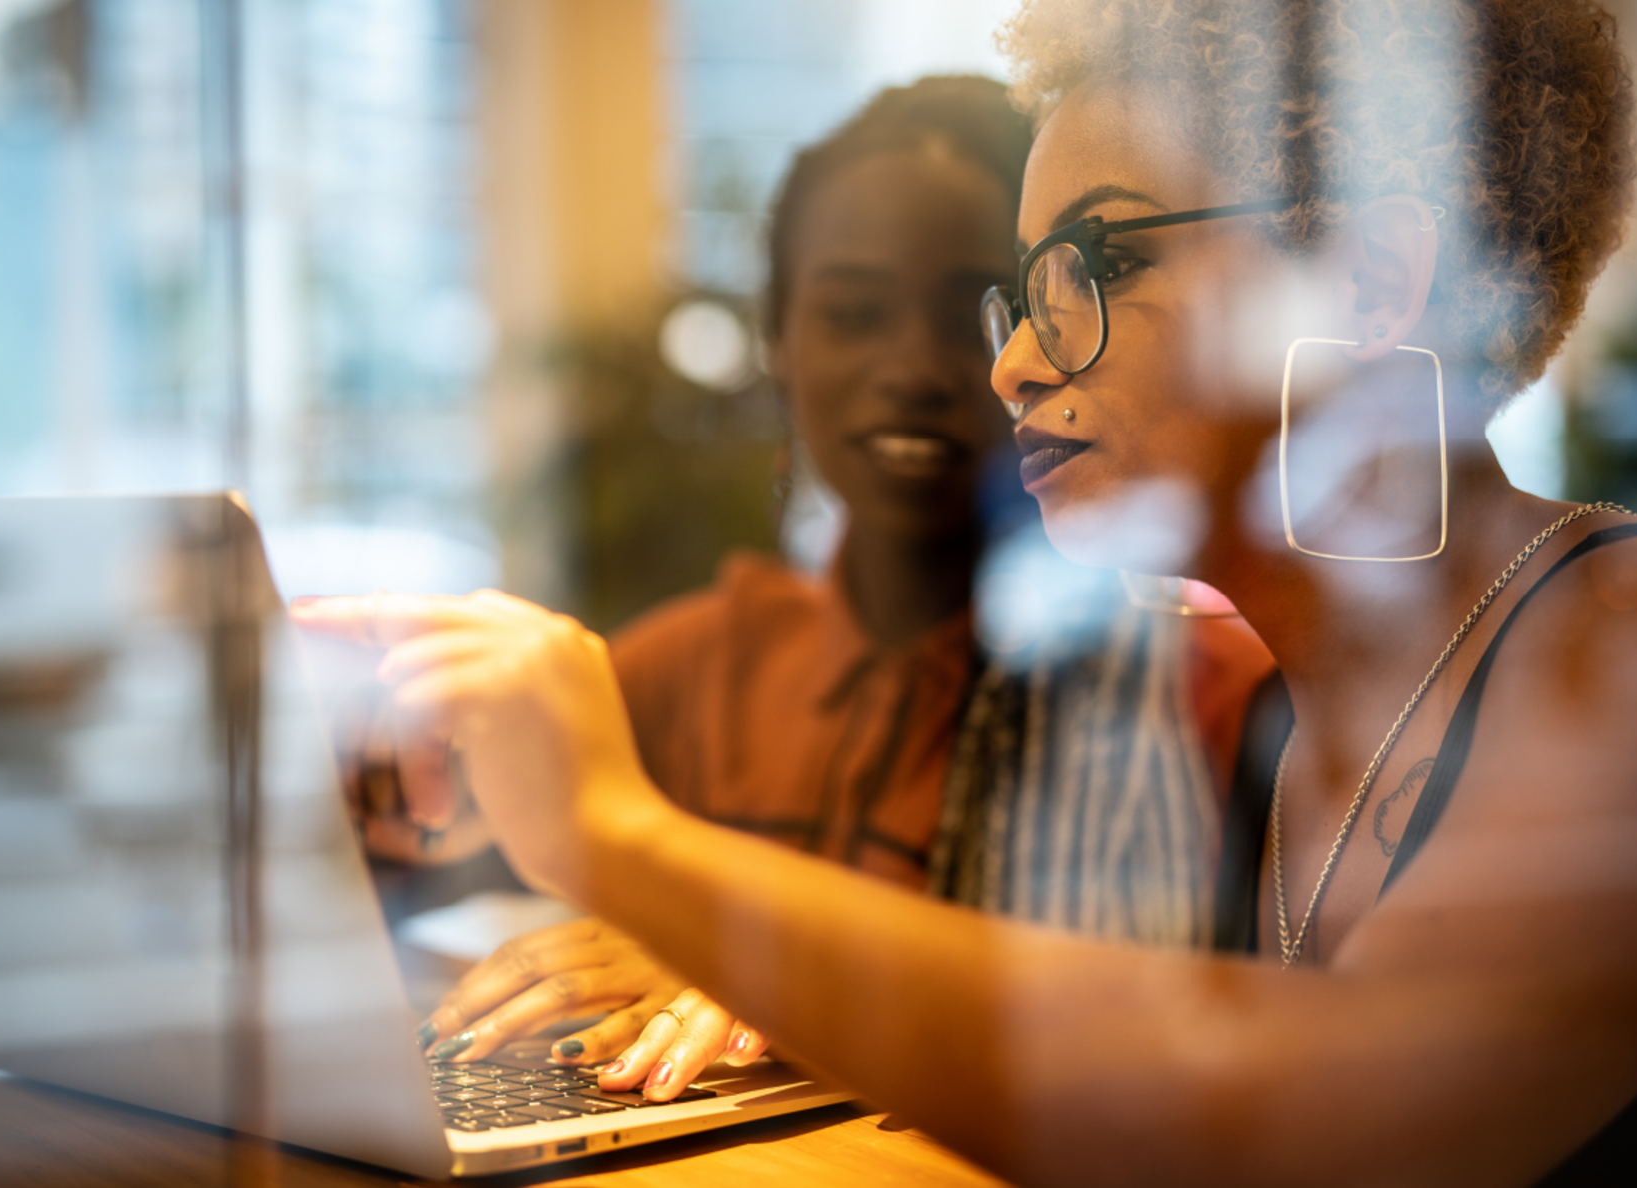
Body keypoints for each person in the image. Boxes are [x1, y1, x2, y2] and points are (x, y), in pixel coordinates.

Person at [299, 1, 1637, 1180]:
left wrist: (622, 837)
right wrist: (767, 981)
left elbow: (1312, 1123)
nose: (1011, 361)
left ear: (1367, 289)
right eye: (1021, 290)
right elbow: (1117, 1039)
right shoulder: (1283, 706)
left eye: (1091, 272)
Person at [360, 76, 1276, 1072]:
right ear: (777, 348)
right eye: (852, 313)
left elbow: (1172, 1065)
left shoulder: (1205, 694)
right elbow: (421, 894)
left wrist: (750, 960)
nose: (923, 368)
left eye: (988, 302)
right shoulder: (669, 676)